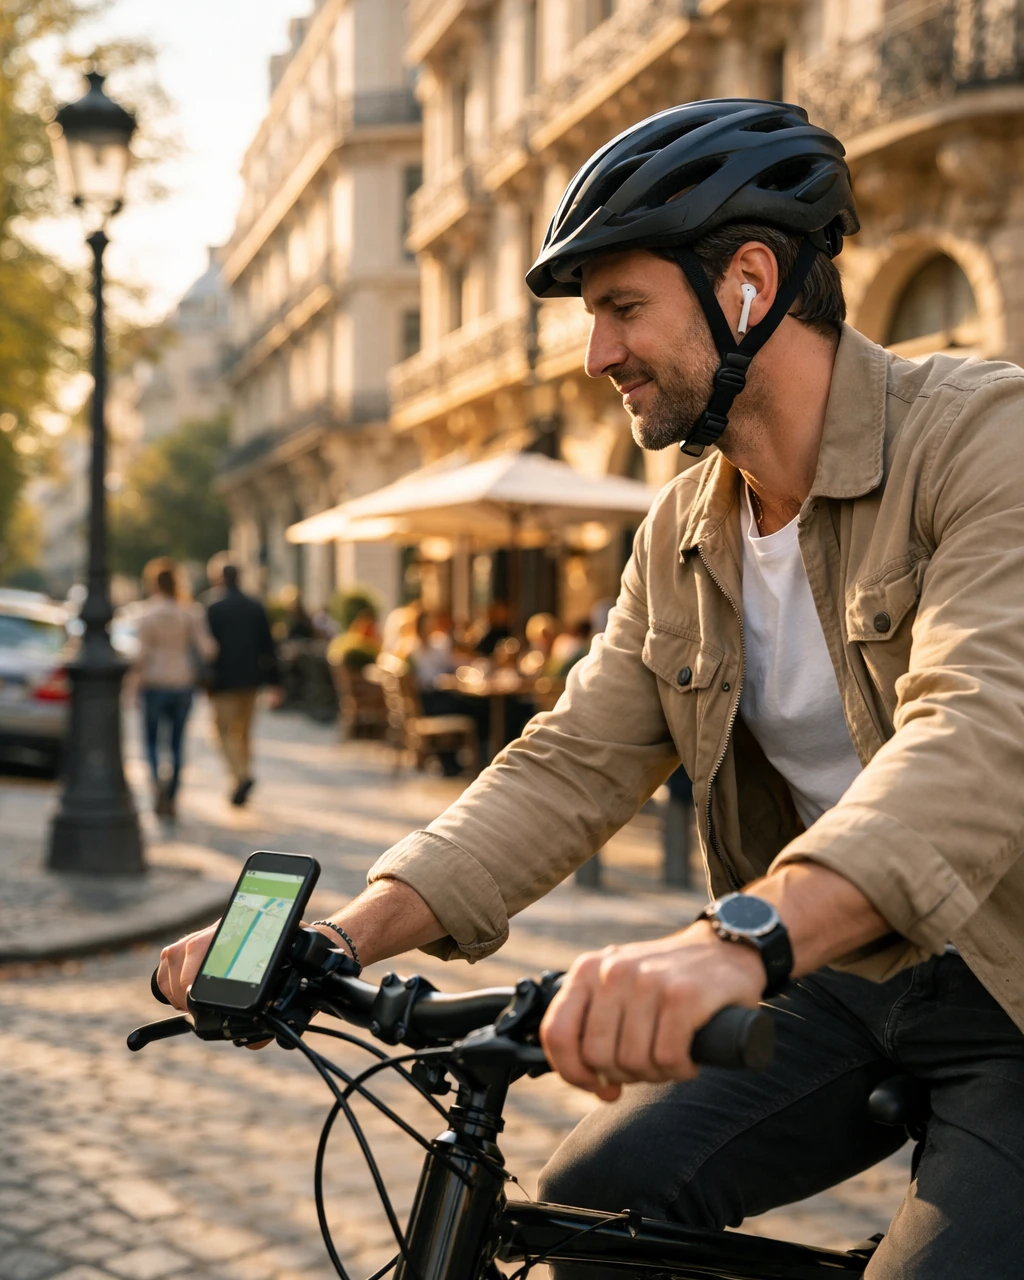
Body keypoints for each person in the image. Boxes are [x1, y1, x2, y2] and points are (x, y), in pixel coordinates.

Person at [160, 99, 1024, 1275]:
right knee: (596, 1200)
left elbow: (977, 733)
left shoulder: (982, 436)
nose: (594, 355)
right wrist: (342, 938)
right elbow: (569, 760)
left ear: (749, 285)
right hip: (846, 975)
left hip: (1006, 976)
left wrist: (738, 939)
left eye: (622, 308)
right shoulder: (680, 527)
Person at [134, 558, 215, 820]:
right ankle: (172, 795)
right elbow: (209, 650)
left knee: (151, 741)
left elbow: (141, 655)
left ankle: (157, 782)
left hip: (154, 682)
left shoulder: (148, 613)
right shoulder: (189, 611)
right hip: (182, 683)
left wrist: (131, 688)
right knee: (177, 743)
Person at [204, 559, 279, 806]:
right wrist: (275, 682)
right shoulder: (254, 606)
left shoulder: (212, 607)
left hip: (224, 682)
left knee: (222, 732)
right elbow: (268, 647)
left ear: (220, 578)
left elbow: (206, 649)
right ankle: (241, 779)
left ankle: (241, 775)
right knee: (244, 734)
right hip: (251, 680)